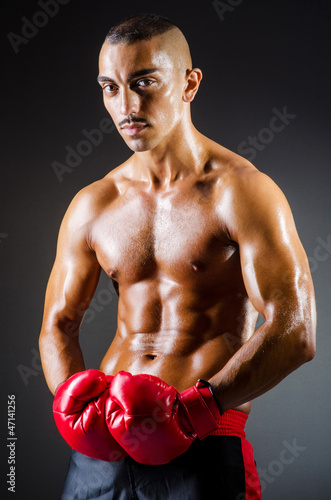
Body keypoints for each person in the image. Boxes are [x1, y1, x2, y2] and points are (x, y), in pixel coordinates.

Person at [39, 13, 316, 500]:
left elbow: (295, 330)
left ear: (189, 84)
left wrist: (196, 411)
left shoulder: (242, 192)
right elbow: (58, 325)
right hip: (104, 446)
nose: (126, 105)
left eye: (144, 83)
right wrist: (76, 412)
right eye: (110, 87)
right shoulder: (94, 203)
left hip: (202, 440)